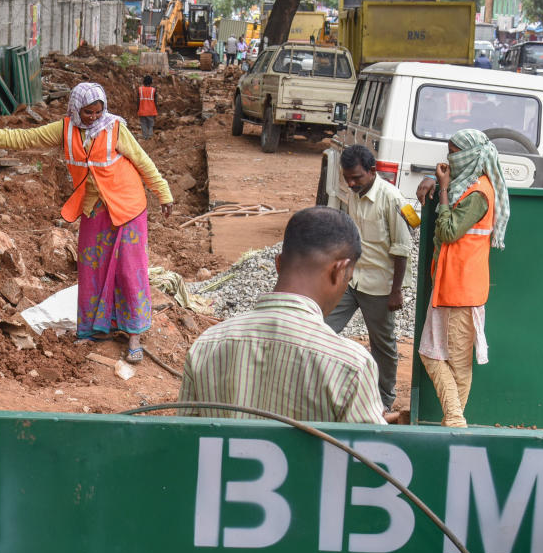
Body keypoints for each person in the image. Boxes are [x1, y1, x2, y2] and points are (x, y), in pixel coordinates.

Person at [0, 83, 173, 363]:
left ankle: (134, 334)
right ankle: (97, 328)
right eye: (87, 112)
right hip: (94, 209)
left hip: (128, 207)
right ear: (75, 109)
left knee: (129, 270)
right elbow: (24, 138)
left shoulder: (115, 128)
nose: (93, 117)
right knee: (92, 269)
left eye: (98, 111)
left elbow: (143, 162)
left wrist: (163, 194)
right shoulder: (65, 129)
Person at [178, 207, 387, 424]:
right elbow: (370, 454)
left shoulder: (207, 345)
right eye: (349, 277)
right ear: (340, 270)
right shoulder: (351, 365)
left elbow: (186, 442)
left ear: (278, 264)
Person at [415, 129, 510, 428]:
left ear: (469, 155)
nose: (449, 159)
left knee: (450, 361)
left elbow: (448, 231)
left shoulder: (479, 194)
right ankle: (453, 422)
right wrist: (436, 183)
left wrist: (442, 190)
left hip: (461, 289)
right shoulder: (468, 187)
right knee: (447, 359)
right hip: (451, 286)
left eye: (453, 153)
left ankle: (455, 421)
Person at [325, 146, 411, 422]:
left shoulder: (393, 199)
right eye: (347, 178)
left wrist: (396, 290)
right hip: (353, 279)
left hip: (381, 286)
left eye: (357, 178)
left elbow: (401, 249)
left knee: (383, 344)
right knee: (322, 328)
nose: (351, 183)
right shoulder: (354, 195)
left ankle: (384, 398)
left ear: (373, 172)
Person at [136, 75, 158, 139]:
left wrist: (138, 109)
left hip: (142, 110)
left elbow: (138, 101)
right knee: (151, 124)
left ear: (144, 82)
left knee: (143, 124)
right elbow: (155, 101)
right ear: (151, 82)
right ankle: (150, 136)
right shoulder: (153, 90)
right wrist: (156, 110)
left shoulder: (140, 89)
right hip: (151, 111)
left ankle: (145, 136)